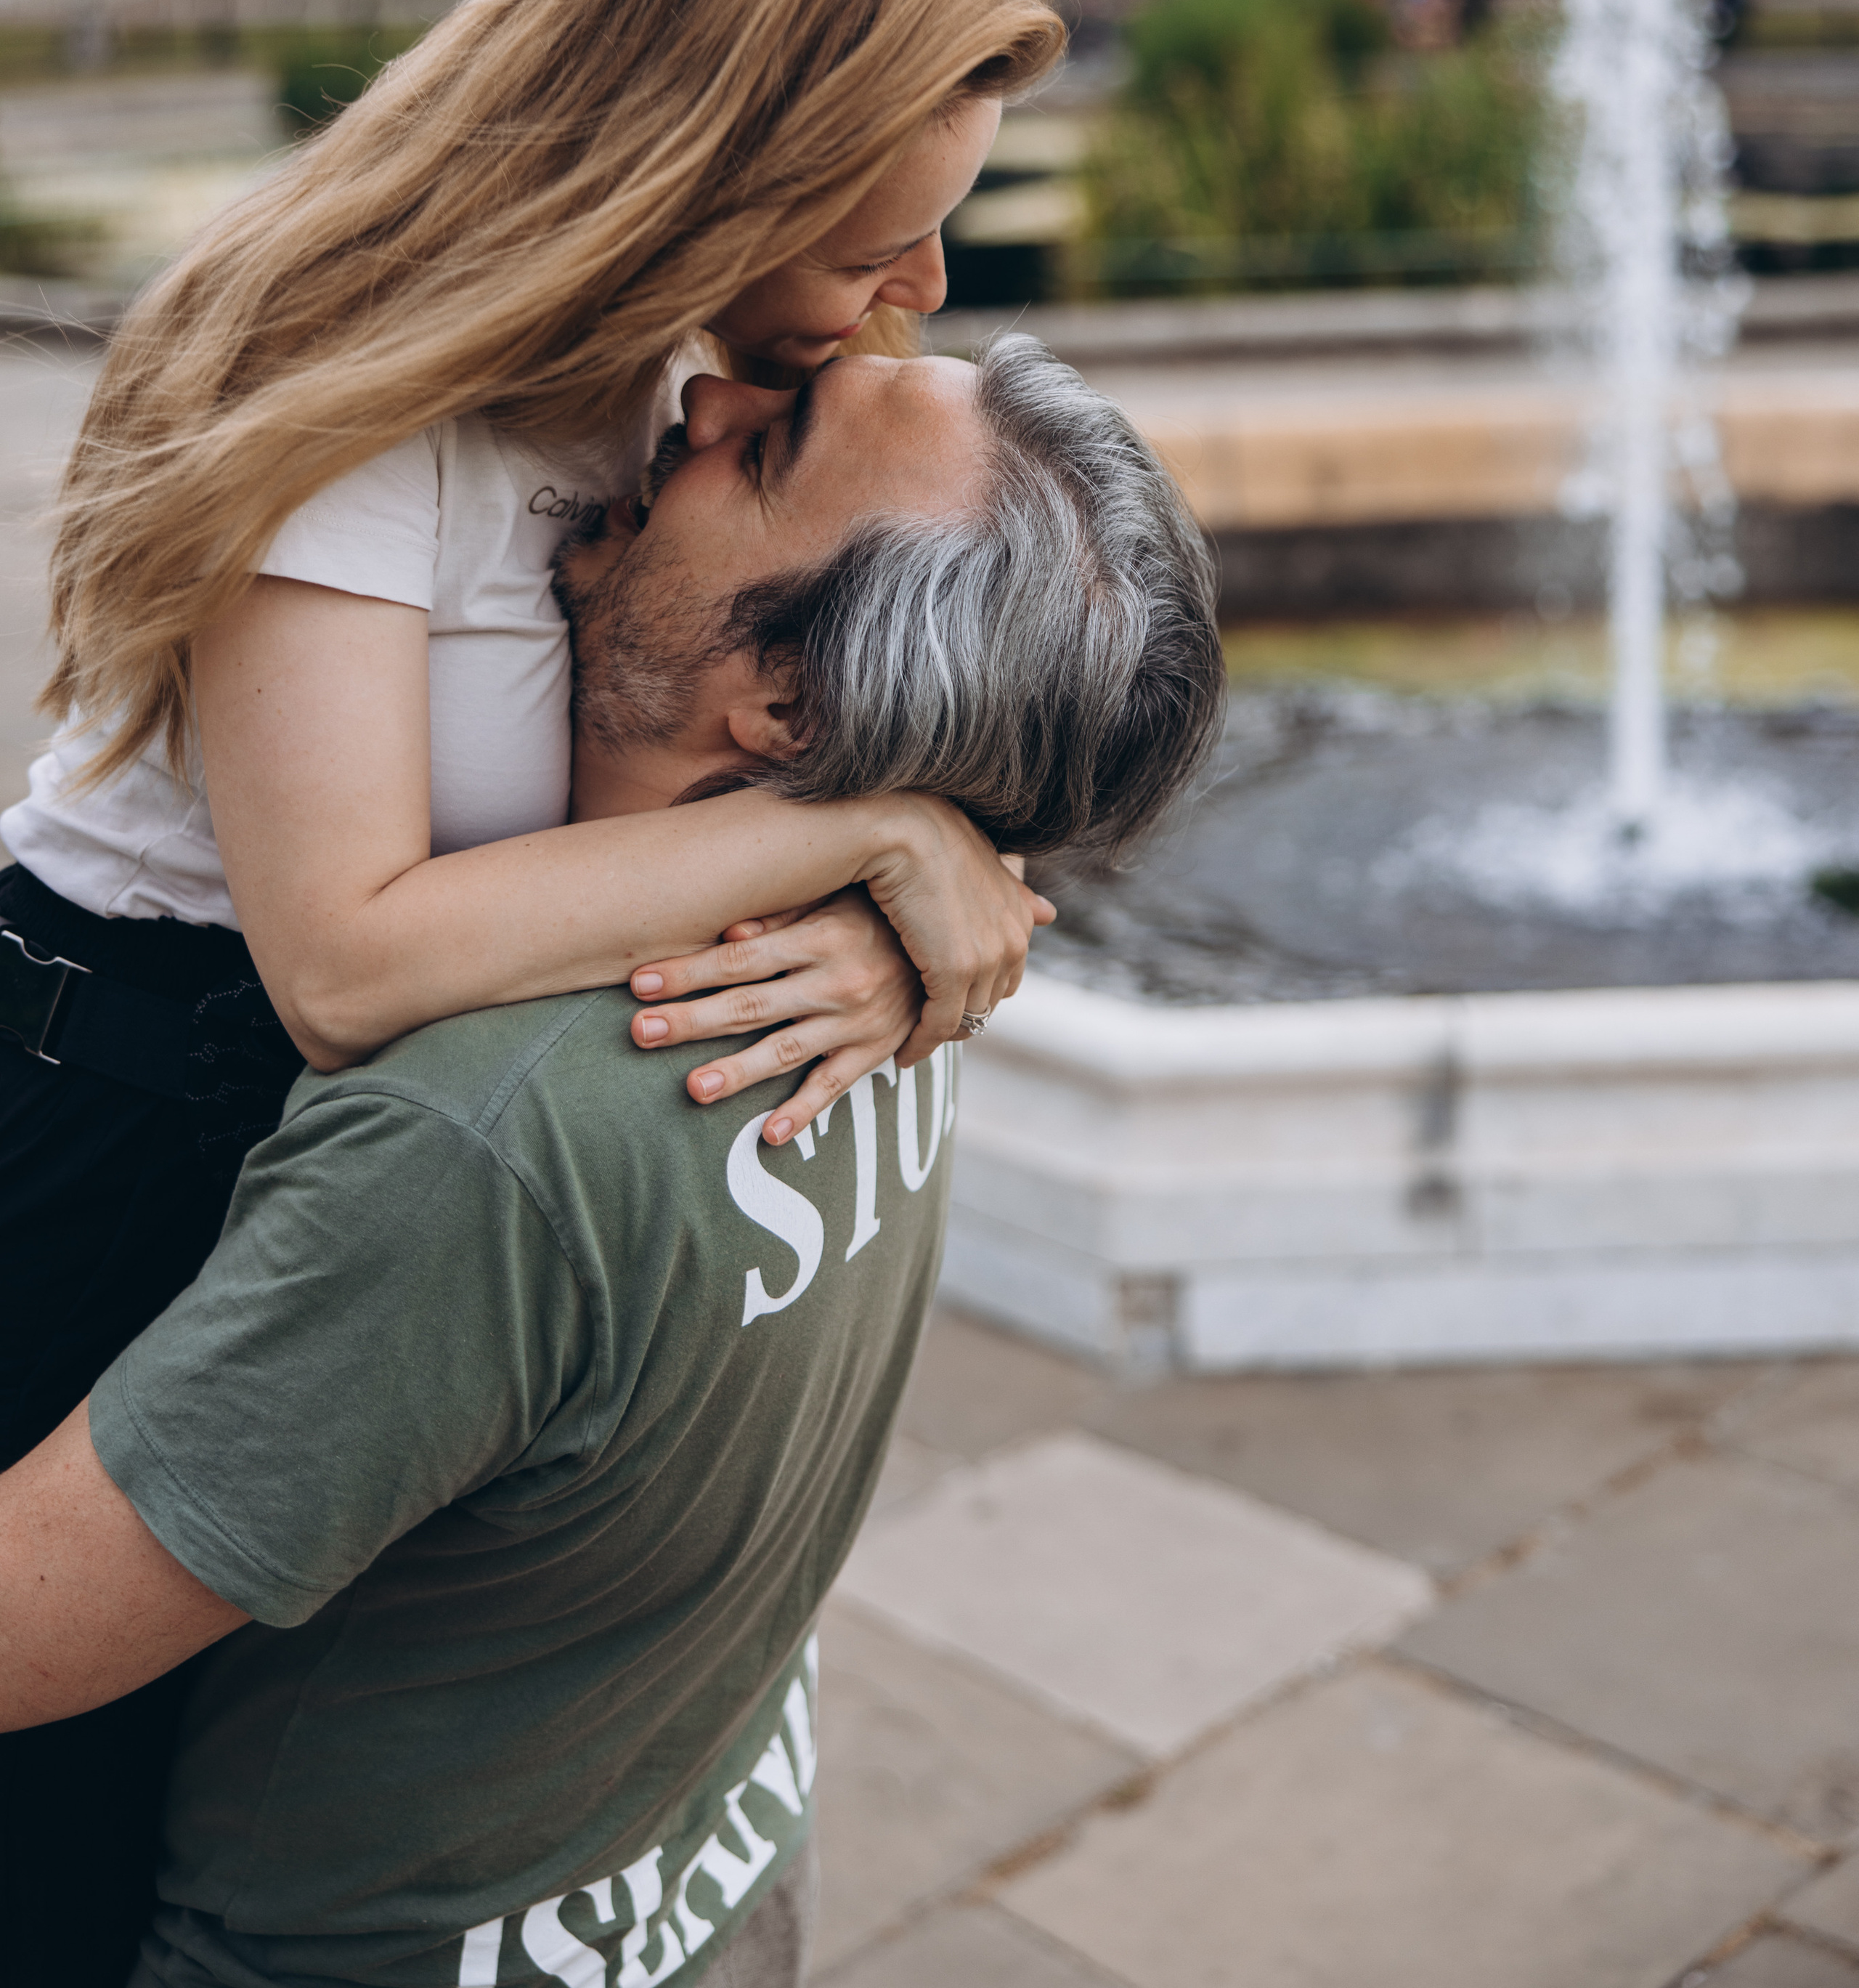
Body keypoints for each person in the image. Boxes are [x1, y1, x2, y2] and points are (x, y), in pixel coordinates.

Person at [0, 0, 1065, 1975]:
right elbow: (345, 951)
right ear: (722, 155)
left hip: (358, 1156)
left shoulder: (681, 381)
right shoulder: (362, 380)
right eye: (887, 236)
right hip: (119, 1099)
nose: (919, 296)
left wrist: (904, 903)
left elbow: (852, 649)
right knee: (66, 1819)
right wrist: (847, 842)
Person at [0, 335, 1225, 1988]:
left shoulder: (493, 1133)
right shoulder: (898, 975)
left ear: (785, 701)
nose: (697, 397)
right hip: (697, 1893)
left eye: (767, 446)